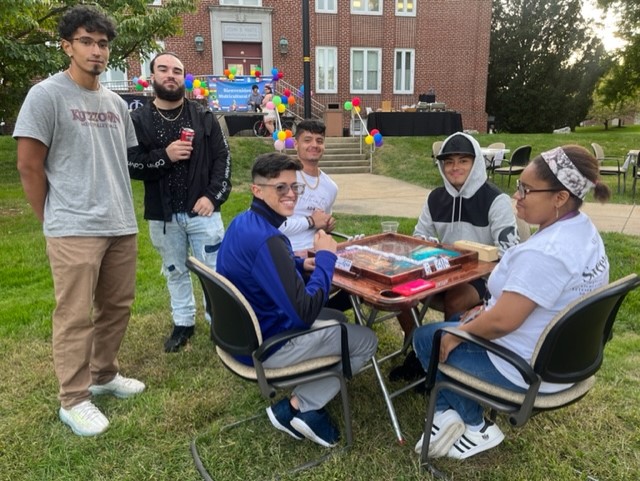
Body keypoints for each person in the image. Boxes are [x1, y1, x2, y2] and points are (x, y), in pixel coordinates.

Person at [412, 145, 610, 460]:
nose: (517, 196)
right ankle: (447, 414)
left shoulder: (547, 252)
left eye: (526, 190)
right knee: (452, 327)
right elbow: (524, 303)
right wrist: (485, 308)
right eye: (519, 186)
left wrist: (453, 335)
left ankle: (475, 425)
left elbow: (503, 322)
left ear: (559, 197)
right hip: (563, 362)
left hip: (525, 369)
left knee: (428, 338)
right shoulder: (584, 232)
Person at [14, 5, 144, 437]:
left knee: (116, 308)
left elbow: (118, 161)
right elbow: (29, 166)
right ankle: (73, 399)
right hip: (73, 226)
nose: (96, 51)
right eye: (86, 42)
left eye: (103, 44)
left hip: (120, 222)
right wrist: (51, 218)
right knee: (73, 316)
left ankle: (103, 374)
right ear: (67, 46)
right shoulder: (47, 96)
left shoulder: (115, 102)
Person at [216, 152, 377, 448]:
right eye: (280, 188)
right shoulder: (269, 240)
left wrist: (300, 266)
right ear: (257, 190)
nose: (291, 194)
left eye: (295, 187)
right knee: (366, 340)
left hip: (238, 338)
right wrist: (327, 258)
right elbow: (304, 312)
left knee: (339, 320)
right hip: (267, 347)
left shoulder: (244, 223)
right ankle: (298, 407)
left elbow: (259, 273)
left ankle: (306, 391)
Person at [391, 132, 519, 380]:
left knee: (456, 298)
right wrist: (428, 248)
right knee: (398, 290)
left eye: (463, 161)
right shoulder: (435, 198)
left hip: (481, 278)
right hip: (440, 273)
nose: (455, 167)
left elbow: (510, 252)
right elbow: (420, 237)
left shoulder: (496, 200)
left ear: (476, 163)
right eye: (449, 162)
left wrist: (471, 261)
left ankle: (446, 358)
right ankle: (417, 349)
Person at [127, 52, 232, 353]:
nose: (170, 75)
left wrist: (212, 196)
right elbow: (130, 164)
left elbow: (223, 159)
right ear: (152, 76)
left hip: (203, 212)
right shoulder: (138, 121)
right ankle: (183, 323)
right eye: (164, 69)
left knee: (214, 273)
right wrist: (165, 156)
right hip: (163, 216)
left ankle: (220, 323)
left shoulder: (203, 117)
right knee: (174, 271)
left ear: (183, 76)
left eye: (177, 70)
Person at [280, 119, 337, 251]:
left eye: (319, 141)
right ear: (295, 144)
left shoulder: (331, 187)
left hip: (316, 254)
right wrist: (310, 221)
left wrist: (326, 225)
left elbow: (322, 224)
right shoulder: (281, 178)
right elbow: (268, 225)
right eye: (307, 140)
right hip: (283, 254)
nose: (314, 145)